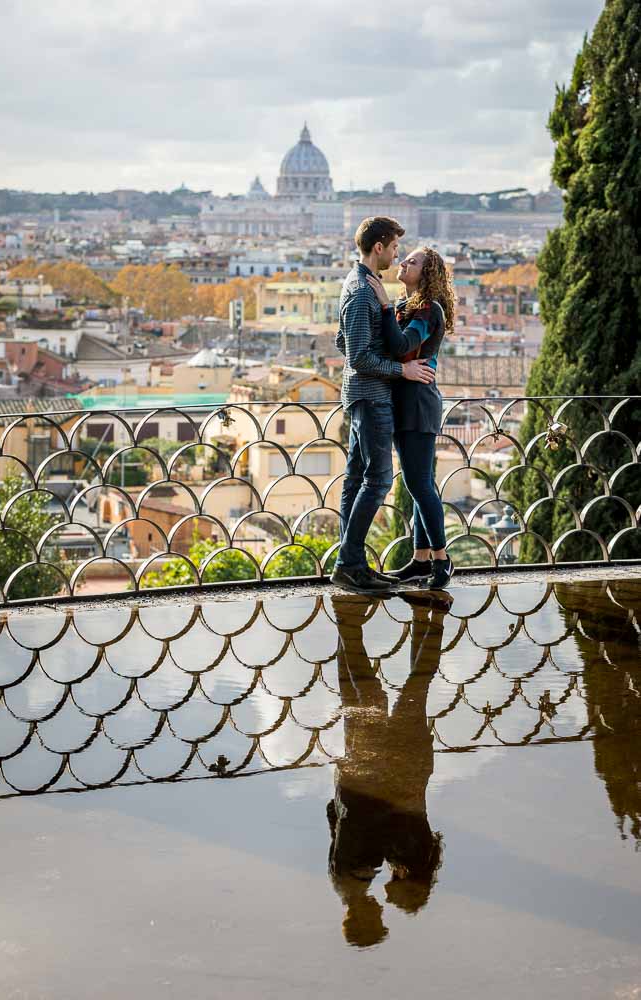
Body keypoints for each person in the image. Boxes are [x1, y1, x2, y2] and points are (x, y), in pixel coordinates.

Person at [327, 592, 448, 947]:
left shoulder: (415, 857)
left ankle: (430, 615)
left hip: (409, 764)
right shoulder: (356, 877)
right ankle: (348, 620)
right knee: (362, 693)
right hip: (381, 768)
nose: (384, 906)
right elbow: (347, 817)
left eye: (378, 920)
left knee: (415, 683)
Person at [331, 218, 437, 595]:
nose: (396, 255)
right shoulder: (362, 292)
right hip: (371, 396)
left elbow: (341, 342)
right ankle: (349, 564)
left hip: (362, 393)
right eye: (394, 248)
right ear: (379, 247)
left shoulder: (356, 283)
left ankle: (352, 563)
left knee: (356, 478)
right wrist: (400, 369)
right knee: (378, 480)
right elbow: (358, 355)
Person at [366, 247, 455, 590]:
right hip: (405, 403)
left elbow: (404, 347)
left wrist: (386, 306)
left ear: (428, 273)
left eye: (413, 261)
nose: (404, 262)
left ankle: (442, 559)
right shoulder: (409, 307)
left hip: (418, 404)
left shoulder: (429, 309)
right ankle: (420, 561)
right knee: (418, 484)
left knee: (419, 484)